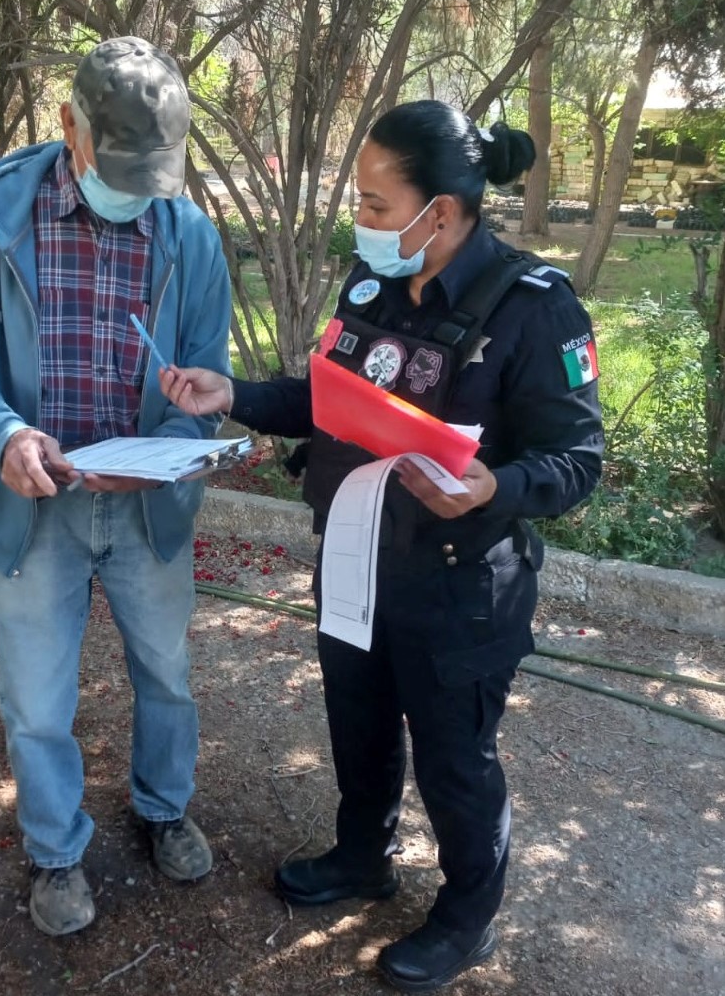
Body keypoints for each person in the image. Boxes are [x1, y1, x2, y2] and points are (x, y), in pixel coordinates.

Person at [158, 99, 603, 992]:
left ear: (439, 210)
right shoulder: (367, 291)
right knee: (357, 727)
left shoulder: (533, 306)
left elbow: (577, 459)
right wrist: (231, 392)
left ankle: (468, 909)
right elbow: (328, 402)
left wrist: (494, 485)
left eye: (372, 204)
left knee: (453, 756)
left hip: (459, 583)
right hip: (357, 559)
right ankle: (362, 856)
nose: (358, 222)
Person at [0, 37, 232, 937]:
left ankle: (163, 807)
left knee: (167, 676)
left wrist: (175, 444)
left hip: (145, 510)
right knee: (37, 699)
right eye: (118, 168)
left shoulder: (189, 235)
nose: (134, 195)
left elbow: (205, 375)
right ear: (69, 129)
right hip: (34, 503)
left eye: (152, 174)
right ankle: (56, 851)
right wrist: (3, 433)